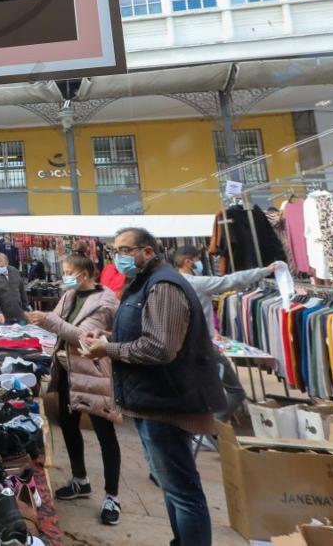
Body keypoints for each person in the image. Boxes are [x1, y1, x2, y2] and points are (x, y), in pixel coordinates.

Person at [79, 227, 226, 546]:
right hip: (154, 400)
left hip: (168, 403)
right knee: (172, 486)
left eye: (125, 250)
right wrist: (109, 337)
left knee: (183, 491)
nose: (118, 257)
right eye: (115, 250)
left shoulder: (164, 287)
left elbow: (159, 348)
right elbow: (142, 332)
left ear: (148, 252)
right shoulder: (145, 283)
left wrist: (108, 349)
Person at [25, 248, 123, 526]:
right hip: (68, 371)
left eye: (68, 273)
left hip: (93, 375)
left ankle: (112, 496)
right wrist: (42, 323)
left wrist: (48, 320)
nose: (65, 277)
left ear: (84, 274)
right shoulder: (69, 296)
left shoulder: (105, 302)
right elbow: (57, 324)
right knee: (68, 425)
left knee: (105, 432)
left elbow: (84, 338)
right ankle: (81, 480)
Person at [172, 245, 279, 330]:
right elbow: (232, 280)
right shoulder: (197, 283)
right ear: (187, 262)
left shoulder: (173, 281)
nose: (200, 263)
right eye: (197, 260)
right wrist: (265, 271)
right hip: (201, 339)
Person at [0, 252, 28, 324]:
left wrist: (26, 308)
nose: (0, 268)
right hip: (1, 317)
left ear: (7, 263)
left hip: (18, 314)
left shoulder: (15, 271)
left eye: (2, 266)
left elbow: (22, 291)